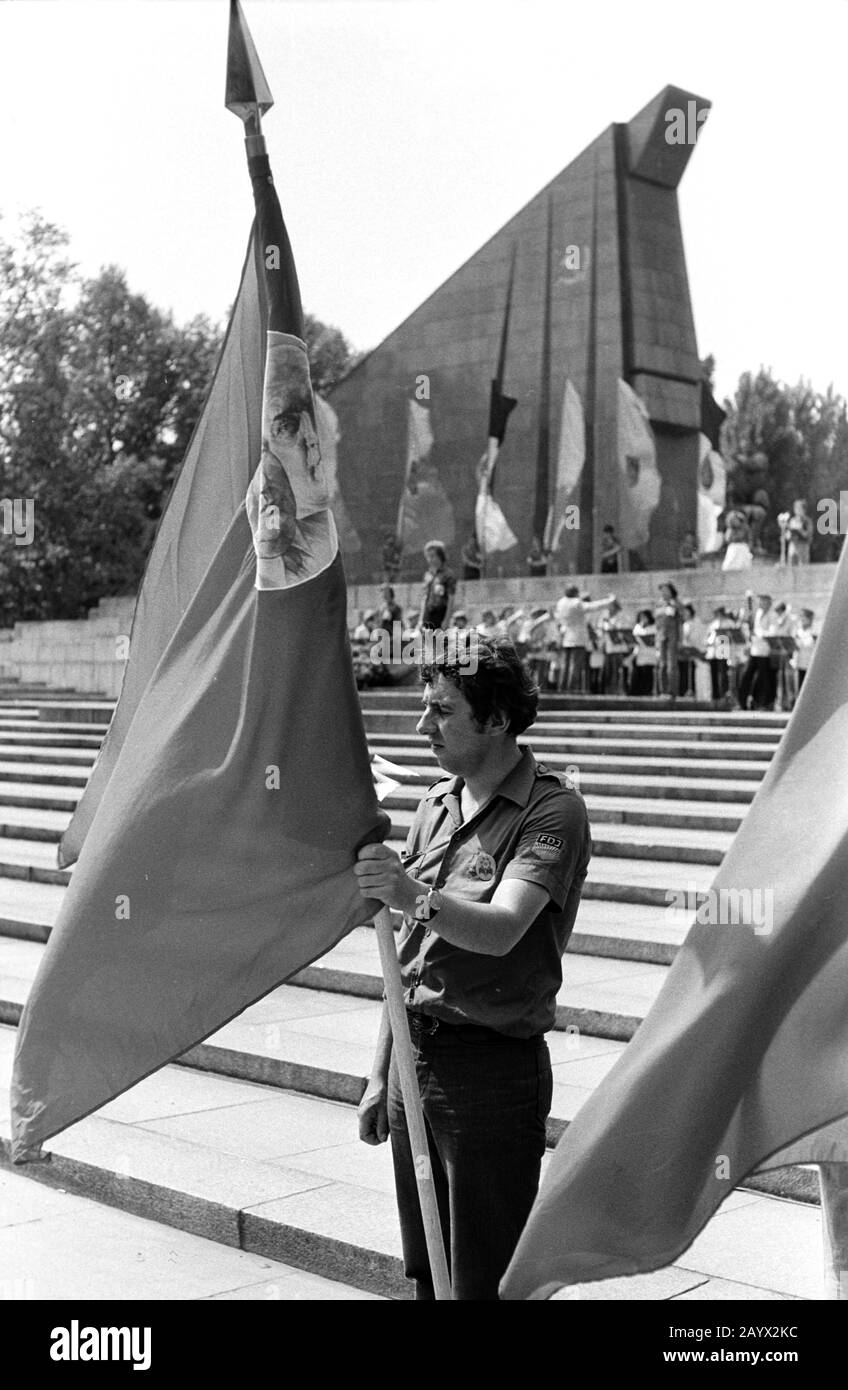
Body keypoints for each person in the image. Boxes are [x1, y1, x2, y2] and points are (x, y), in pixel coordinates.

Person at [353, 640, 592, 1301]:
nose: (422, 727)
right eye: (424, 708)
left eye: (441, 711)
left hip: (490, 1073)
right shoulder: (435, 802)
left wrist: (414, 895)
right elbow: (403, 951)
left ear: (496, 721)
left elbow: (506, 927)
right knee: (427, 1267)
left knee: (486, 1282)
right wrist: (381, 1072)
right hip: (414, 1062)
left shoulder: (553, 811)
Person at [554, 586, 616, 693]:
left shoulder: (561, 602)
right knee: (575, 666)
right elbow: (593, 606)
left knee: (565, 666)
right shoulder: (576, 603)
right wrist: (610, 600)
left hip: (566, 638)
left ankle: (562, 689)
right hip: (577, 638)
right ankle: (571, 689)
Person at [737, 592, 776, 711]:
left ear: (769, 602)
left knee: (763, 679)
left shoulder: (772, 615)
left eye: (763, 600)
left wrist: (759, 634)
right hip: (755, 650)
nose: (760, 603)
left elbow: (772, 633)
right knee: (746, 676)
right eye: (760, 600)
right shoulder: (758, 613)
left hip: (765, 652)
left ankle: (761, 702)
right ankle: (742, 702)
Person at [419, 540, 456, 631]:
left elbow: (451, 599)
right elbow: (425, 598)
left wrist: (446, 620)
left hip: (441, 613)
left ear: (441, 556)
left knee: (439, 643)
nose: (430, 559)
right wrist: (421, 619)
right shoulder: (428, 575)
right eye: (428, 557)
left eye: (433, 556)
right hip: (428, 613)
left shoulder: (448, 575)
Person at [655, 582, 684, 699]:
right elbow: (657, 623)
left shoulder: (676, 603)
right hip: (662, 636)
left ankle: (672, 691)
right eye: (662, 590)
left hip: (673, 636)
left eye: (666, 590)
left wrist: (681, 639)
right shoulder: (659, 604)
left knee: (671, 665)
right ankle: (663, 691)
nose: (664, 593)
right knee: (662, 665)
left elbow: (681, 621)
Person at [679, 602, 705, 698]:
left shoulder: (695, 622)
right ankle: (684, 691)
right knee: (684, 673)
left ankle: (691, 691)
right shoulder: (684, 624)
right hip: (684, 653)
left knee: (691, 672)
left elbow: (695, 637)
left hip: (693, 651)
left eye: (686, 611)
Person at [629, 609, 657, 696]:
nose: (643, 619)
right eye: (641, 617)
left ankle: (647, 694)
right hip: (639, 656)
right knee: (636, 678)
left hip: (650, 657)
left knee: (647, 678)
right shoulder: (637, 627)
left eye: (644, 617)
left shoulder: (654, 627)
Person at [790, 607, 816, 698]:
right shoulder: (798, 631)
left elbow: (810, 644)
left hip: (809, 663)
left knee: (807, 687)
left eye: (804, 617)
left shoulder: (813, 631)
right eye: (801, 617)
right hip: (798, 662)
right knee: (799, 686)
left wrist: (799, 643)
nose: (801, 620)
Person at [786, 498, 813, 565]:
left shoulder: (807, 521)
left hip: (803, 547)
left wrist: (800, 530)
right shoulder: (792, 520)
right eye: (796, 508)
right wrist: (788, 535)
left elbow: (808, 535)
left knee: (802, 568)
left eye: (799, 509)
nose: (797, 510)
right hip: (793, 546)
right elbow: (788, 533)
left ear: (804, 510)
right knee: (791, 568)